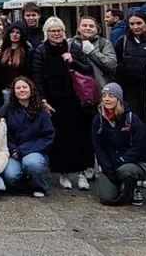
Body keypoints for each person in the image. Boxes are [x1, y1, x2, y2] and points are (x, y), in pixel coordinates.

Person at [32, 16, 95, 191]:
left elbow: (88, 70)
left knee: (80, 137)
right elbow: (37, 77)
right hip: (54, 101)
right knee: (60, 138)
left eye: (59, 30)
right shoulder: (41, 51)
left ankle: (82, 174)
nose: (56, 33)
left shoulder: (73, 47)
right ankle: (64, 174)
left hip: (76, 98)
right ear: (47, 33)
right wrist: (43, 100)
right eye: (52, 30)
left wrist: (72, 61)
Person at [91, 83, 146, 207]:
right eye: (104, 96)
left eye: (111, 96)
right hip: (110, 164)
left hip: (131, 162)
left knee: (126, 171)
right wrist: (107, 168)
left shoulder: (131, 119)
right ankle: (120, 185)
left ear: (119, 99)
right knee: (106, 198)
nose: (107, 99)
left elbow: (141, 145)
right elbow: (98, 148)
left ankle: (134, 187)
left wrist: (123, 159)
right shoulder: (98, 120)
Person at [1, 76, 55, 197]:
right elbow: (1, 132)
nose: (22, 90)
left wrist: (22, 151)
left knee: (31, 164)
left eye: (24, 87)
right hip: (14, 152)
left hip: (34, 151)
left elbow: (48, 136)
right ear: (13, 91)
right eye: (18, 88)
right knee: (10, 176)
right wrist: (12, 149)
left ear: (31, 89)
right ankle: (26, 184)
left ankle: (39, 186)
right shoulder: (7, 109)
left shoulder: (41, 111)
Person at [114, 11, 146, 126]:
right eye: (132, 24)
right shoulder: (122, 42)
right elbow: (117, 65)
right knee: (134, 120)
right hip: (129, 90)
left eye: (139, 23)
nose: (135, 27)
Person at [75, 15, 118, 89]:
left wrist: (92, 52)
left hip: (100, 89)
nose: (88, 28)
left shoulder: (104, 43)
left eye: (91, 26)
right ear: (78, 28)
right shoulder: (71, 43)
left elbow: (111, 65)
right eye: (84, 25)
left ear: (97, 29)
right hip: (78, 90)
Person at [0, 22, 31, 107]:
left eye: (18, 32)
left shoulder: (27, 51)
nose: (14, 35)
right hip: (5, 90)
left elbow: (29, 72)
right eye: (12, 32)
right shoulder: (3, 50)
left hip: (20, 90)